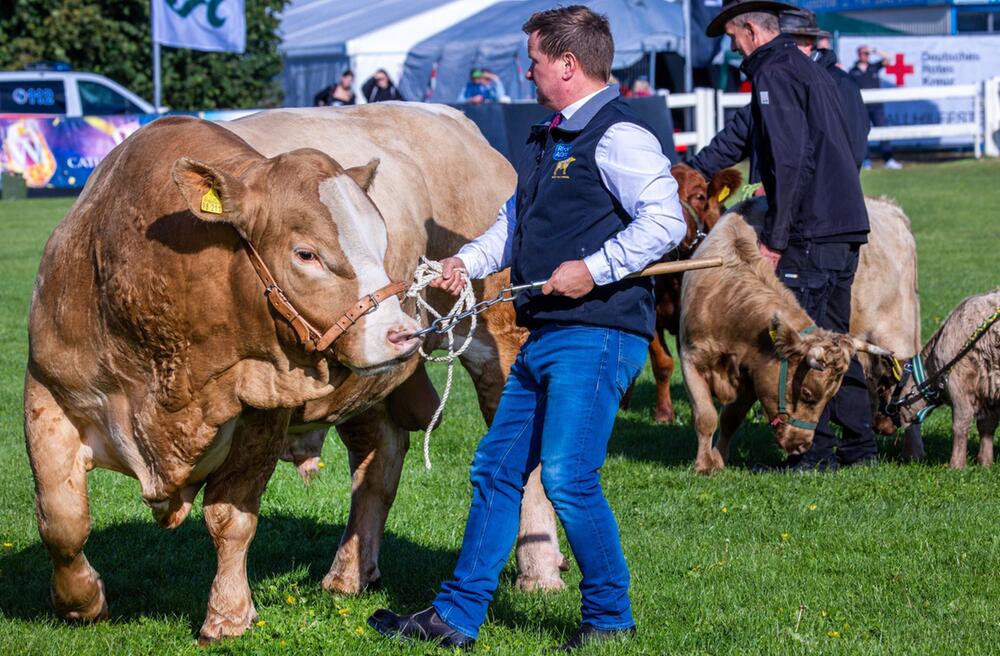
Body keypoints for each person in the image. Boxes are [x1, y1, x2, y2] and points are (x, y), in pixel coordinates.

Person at [367, 5, 686, 651]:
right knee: (495, 471)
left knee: (568, 475)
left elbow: (667, 222)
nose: (528, 71)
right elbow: (515, 226)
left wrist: (593, 270)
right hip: (549, 334)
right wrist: (465, 262)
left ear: (568, 64)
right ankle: (454, 617)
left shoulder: (620, 135)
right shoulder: (549, 138)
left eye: (536, 61)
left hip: (597, 334)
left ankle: (610, 620)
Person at [702, 0, 877, 472]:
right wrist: (697, 169)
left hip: (809, 232)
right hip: (843, 226)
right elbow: (753, 136)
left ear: (752, 30)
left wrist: (776, 240)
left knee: (804, 347)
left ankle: (812, 454)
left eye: (734, 36)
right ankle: (860, 447)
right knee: (837, 341)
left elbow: (789, 161)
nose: (733, 46)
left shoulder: (774, 73)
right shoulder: (804, 68)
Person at [850, 45, 903, 169]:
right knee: (863, 134)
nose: (865, 55)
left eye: (867, 54)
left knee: (883, 132)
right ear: (858, 54)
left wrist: (874, 51)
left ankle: (888, 159)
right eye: (863, 53)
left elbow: (889, 59)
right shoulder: (852, 71)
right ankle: (866, 160)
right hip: (862, 108)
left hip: (877, 107)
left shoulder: (873, 67)